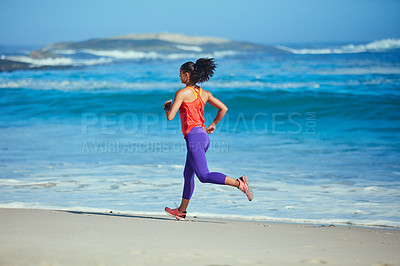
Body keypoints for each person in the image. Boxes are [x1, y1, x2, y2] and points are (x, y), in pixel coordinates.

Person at [163, 58, 253, 221]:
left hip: (194, 138)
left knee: (203, 176)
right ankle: (181, 211)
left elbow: (170, 117)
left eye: (181, 74)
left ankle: (239, 183)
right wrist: (213, 125)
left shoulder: (182, 93)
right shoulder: (204, 93)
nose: (179, 77)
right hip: (203, 137)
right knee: (188, 174)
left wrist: (167, 107)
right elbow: (223, 108)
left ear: (187, 74)